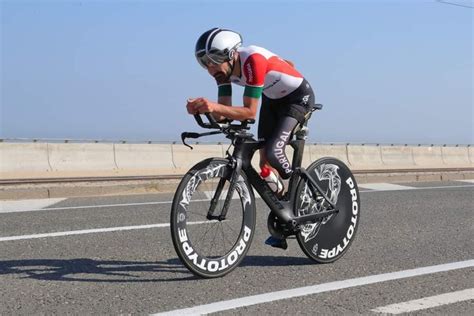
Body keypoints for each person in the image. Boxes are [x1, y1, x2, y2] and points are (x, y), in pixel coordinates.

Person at [187, 28, 316, 250]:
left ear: (231, 54)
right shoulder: (222, 73)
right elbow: (223, 111)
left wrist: (215, 107)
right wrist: (202, 109)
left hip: (298, 98)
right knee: (264, 164)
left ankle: (304, 196)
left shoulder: (252, 60)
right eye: (204, 63)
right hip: (272, 99)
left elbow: (249, 112)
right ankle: (284, 205)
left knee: (275, 152)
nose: (210, 68)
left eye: (214, 60)